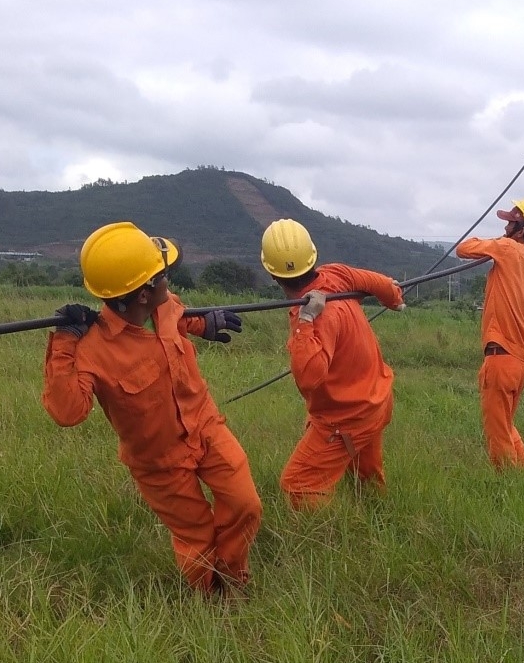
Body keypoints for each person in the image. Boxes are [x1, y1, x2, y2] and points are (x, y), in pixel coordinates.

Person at [43, 221, 263, 596]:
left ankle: (231, 579)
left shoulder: (165, 305)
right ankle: (213, 600)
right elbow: (67, 413)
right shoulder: (93, 349)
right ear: (143, 294)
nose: (168, 280)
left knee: (246, 505)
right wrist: (65, 343)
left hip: (206, 428)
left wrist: (204, 325)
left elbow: (180, 317)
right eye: (162, 276)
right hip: (159, 463)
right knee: (197, 537)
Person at [260, 218, 405, 510]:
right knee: (366, 480)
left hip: (347, 417)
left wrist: (306, 321)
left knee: (298, 485)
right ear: (312, 255)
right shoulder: (337, 274)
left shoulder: (311, 316)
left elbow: (309, 378)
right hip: (377, 400)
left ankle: (334, 532)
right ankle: (379, 517)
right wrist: (395, 300)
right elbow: (381, 284)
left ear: (272, 274)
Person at [455, 196, 524, 469]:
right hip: (519, 361)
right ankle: (523, 477)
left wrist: (501, 243)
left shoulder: (508, 249)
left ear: (521, 231)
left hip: (501, 358)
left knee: (498, 434)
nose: (505, 227)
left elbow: (463, 248)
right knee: (506, 425)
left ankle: (506, 484)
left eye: (511, 223)